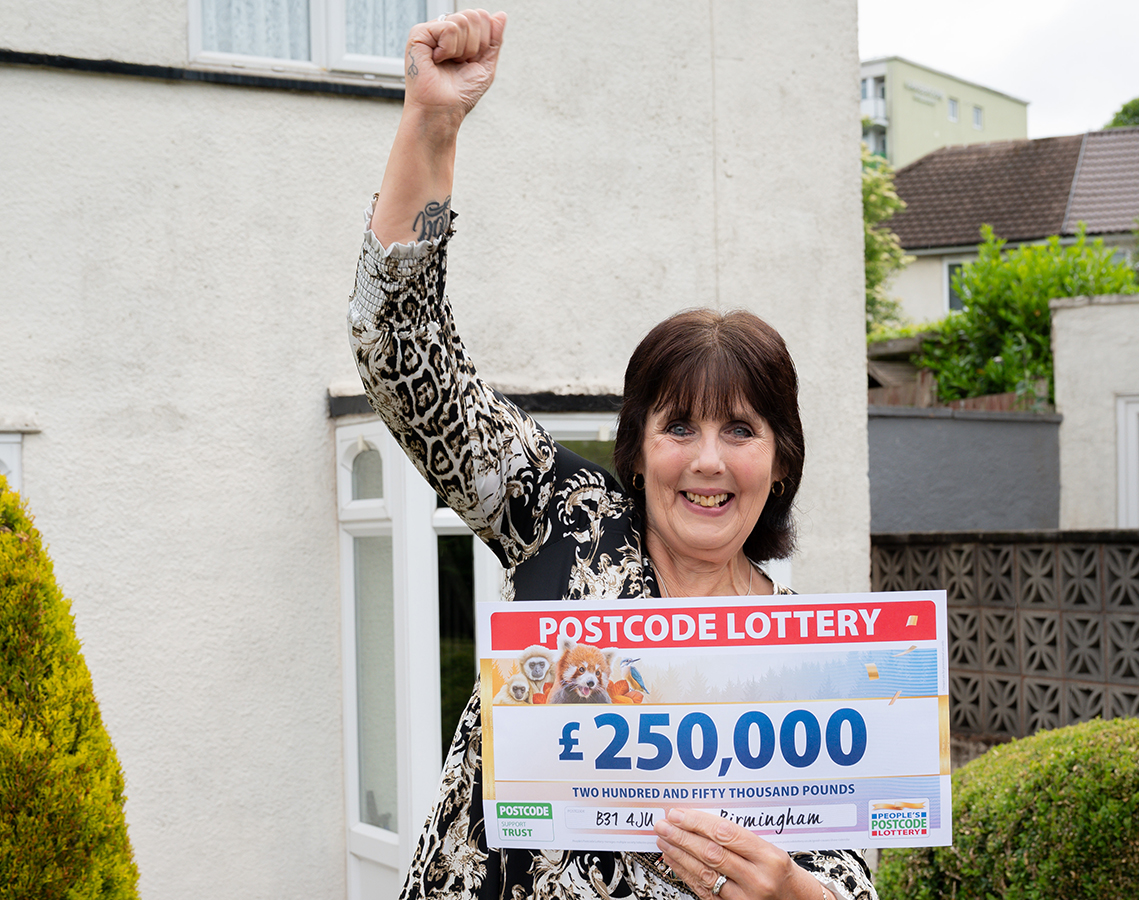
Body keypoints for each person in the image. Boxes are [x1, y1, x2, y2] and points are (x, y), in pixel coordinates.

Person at [349, 10, 878, 900]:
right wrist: (432, 125)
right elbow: (403, 355)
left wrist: (789, 891)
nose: (707, 461)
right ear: (635, 449)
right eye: (679, 428)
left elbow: (850, 880)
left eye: (740, 430)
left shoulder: (814, 659)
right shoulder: (569, 519)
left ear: (782, 460)